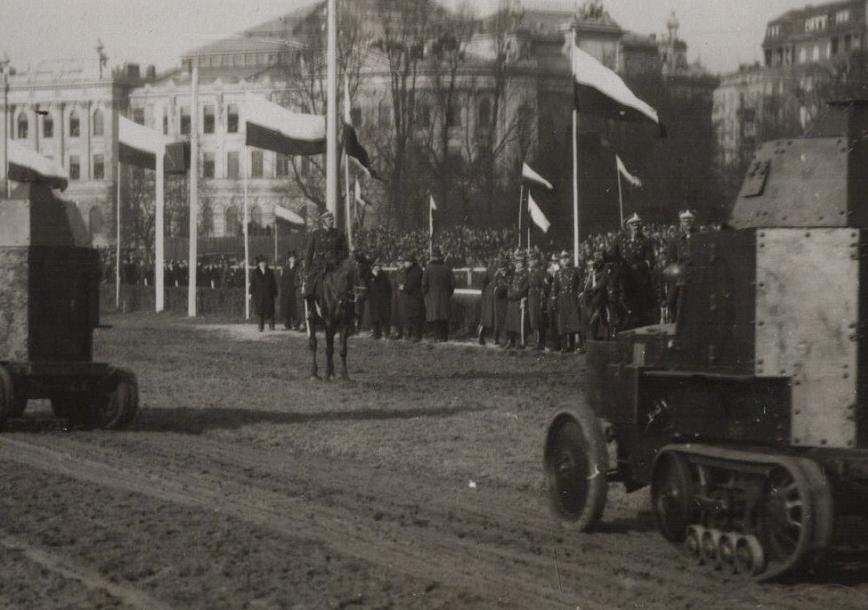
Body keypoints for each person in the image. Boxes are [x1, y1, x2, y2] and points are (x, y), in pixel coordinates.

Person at [608, 213, 657, 330]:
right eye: (633, 224)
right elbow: (612, 256)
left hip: (639, 280)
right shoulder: (619, 240)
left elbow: (650, 261)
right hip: (622, 280)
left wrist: (639, 266)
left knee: (640, 312)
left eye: (637, 223)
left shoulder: (646, 241)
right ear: (627, 225)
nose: (636, 226)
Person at [302, 210, 349, 310]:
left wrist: (336, 258)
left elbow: (345, 252)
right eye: (329, 219)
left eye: (332, 219)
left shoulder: (339, 234)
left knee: (347, 282)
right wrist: (306, 272)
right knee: (310, 286)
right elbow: (309, 255)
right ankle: (311, 310)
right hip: (319, 266)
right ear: (323, 221)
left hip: (335, 266)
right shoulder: (315, 234)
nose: (332, 221)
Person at [666, 209, 697, 323]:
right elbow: (670, 260)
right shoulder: (675, 239)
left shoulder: (700, 236)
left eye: (689, 219)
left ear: (693, 220)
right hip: (679, 277)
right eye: (684, 219)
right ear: (680, 221)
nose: (687, 222)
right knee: (672, 301)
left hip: (695, 275)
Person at [552, 250, 582, 353]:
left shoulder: (575, 271)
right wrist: (554, 300)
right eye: (562, 259)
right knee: (563, 323)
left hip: (572, 299)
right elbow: (555, 288)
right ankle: (564, 346)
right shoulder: (558, 273)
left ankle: (573, 345)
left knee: (573, 322)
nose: (564, 260)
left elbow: (580, 283)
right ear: (560, 261)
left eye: (566, 258)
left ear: (569, 259)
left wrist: (579, 293)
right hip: (562, 300)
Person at [477, 253, 510, 346]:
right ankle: (491, 338)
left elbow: (483, 282)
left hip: (492, 294)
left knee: (489, 317)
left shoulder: (491, 268)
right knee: (494, 317)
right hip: (495, 294)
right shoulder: (504, 269)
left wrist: (483, 294)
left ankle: (486, 337)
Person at [422, 248, 454, 342]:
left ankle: (437, 337)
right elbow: (452, 284)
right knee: (444, 317)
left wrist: (425, 294)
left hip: (432, 296)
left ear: (432, 257)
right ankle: (444, 337)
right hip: (444, 295)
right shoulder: (447, 268)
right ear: (440, 257)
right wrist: (448, 293)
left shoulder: (428, 268)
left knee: (435, 317)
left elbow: (424, 284)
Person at [504, 249, 530, 349]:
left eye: (520, 262)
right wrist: (509, 294)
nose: (517, 264)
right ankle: (511, 340)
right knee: (510, 321)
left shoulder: (526, 273)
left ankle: (521, 341)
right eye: (516, 262)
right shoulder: (513, 273)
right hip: (511, 301)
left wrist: (515, 296)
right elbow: (509, 285)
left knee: (519, 323)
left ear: (523, 262)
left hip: (519, 301)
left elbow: (525, 288)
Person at [398, 253, 424, 342]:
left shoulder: (415, 272)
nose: (404, 263)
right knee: (413, 316)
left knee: (414, 317)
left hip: (414, 297)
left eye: (406, 262)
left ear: (411, 262)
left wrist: (403, 287)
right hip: (413, 297)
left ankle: (415, 336)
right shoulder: (414, 270)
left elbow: (411, 285)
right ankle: (413, 335)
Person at [250, 255, 278, 332]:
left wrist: (275, 292)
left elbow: (273, 283)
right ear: (258, 264)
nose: (262, 264)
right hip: (259, 295)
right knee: (260, 311)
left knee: (270, 310)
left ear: (266, 263)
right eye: (261, 262)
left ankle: (271, 326)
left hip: (269, 294)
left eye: (264, 262)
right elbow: (252, 283)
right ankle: (260, 326)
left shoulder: (270, 272)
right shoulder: (255, 272)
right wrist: (251, 292)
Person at [527, 253, 548, 350]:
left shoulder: (540, 271)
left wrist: (543, 297)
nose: (530, 262)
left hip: (538, 297)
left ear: (536, 261)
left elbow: (545, 285)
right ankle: (536, 341)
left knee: (539, 320)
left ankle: (540, 343)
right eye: (530, 260)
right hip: (531, 297)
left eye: (532, 260)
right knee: (533, 320)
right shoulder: (531, 271)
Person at [367, 260, 392, 339]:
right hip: (373, 300)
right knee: (374, 317)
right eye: (376, 266)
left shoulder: (383, 275)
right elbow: (367, 287)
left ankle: (386, 334)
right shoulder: (369, 275)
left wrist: (388, 297)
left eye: (379, 266)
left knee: (384, 317)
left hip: (383, 300)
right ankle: (376, 334)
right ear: (373, 267)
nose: (378, 267)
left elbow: (388, 287)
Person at [280, 250, 301, 330]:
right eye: (291, 258)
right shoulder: (285, 268)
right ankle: (287, 324)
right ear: (289, 259)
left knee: (294, 308)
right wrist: (283, 288)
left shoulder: (298, 267)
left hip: (294, 290)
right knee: (286, 307)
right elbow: (282, 279)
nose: (292, 259)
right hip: (286, 290)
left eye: (293, 258)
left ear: (295, 259)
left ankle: (296, 324)